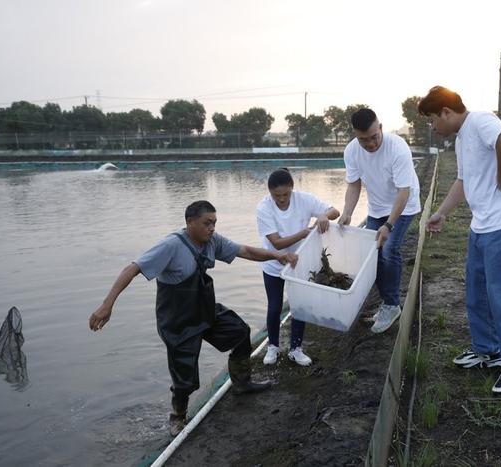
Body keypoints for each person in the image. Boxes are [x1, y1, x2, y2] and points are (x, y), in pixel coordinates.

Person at [88, 200, 298, 436]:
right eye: (207, 223)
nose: (212, 228)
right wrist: (107, 305)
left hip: (204, 307)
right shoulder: (171, 246)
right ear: (190, 223)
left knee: (239, 331)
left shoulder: (212, 241)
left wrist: (277, 255)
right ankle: (177, 416)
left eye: (214, 223)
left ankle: (242, 383)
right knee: (185, 376)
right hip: (178, 318)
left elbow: (245, 251)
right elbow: (132, 268)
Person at [419, 86, 501, 395]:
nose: (432, 127)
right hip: (483, 225)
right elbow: (464, 181)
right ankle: (487, 350)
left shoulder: (481, 121)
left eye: (432, 119)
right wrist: (442, 213)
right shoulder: (462, 139)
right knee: (478, 291)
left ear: (446, 111)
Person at [338, 108, 421, 333]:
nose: (371, 144)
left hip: (404, 206)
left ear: (381, 128)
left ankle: (392, 305)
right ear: (355, 135)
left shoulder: (398, 148)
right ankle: (386, 303)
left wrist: (388, 225)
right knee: (370, 253)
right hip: (376, 208)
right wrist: (347, 212)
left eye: (374, 137)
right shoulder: (352, 151)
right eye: (364, 140)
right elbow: (354, 185)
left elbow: (404, 191)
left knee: (389, 249)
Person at [256, 168, 340, 366]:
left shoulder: (304, 199)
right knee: (275, 306)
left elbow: (334, 211)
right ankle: (273, 347)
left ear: (292, 189)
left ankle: (296, 349)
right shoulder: (264, 208)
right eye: (277, 196)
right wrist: (304, 233)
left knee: (300, 306)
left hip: (299, 263)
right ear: (270, 193)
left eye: (286, 194)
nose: (282, 199)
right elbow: (276, 243)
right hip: (274, 263)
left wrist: (323, 216)